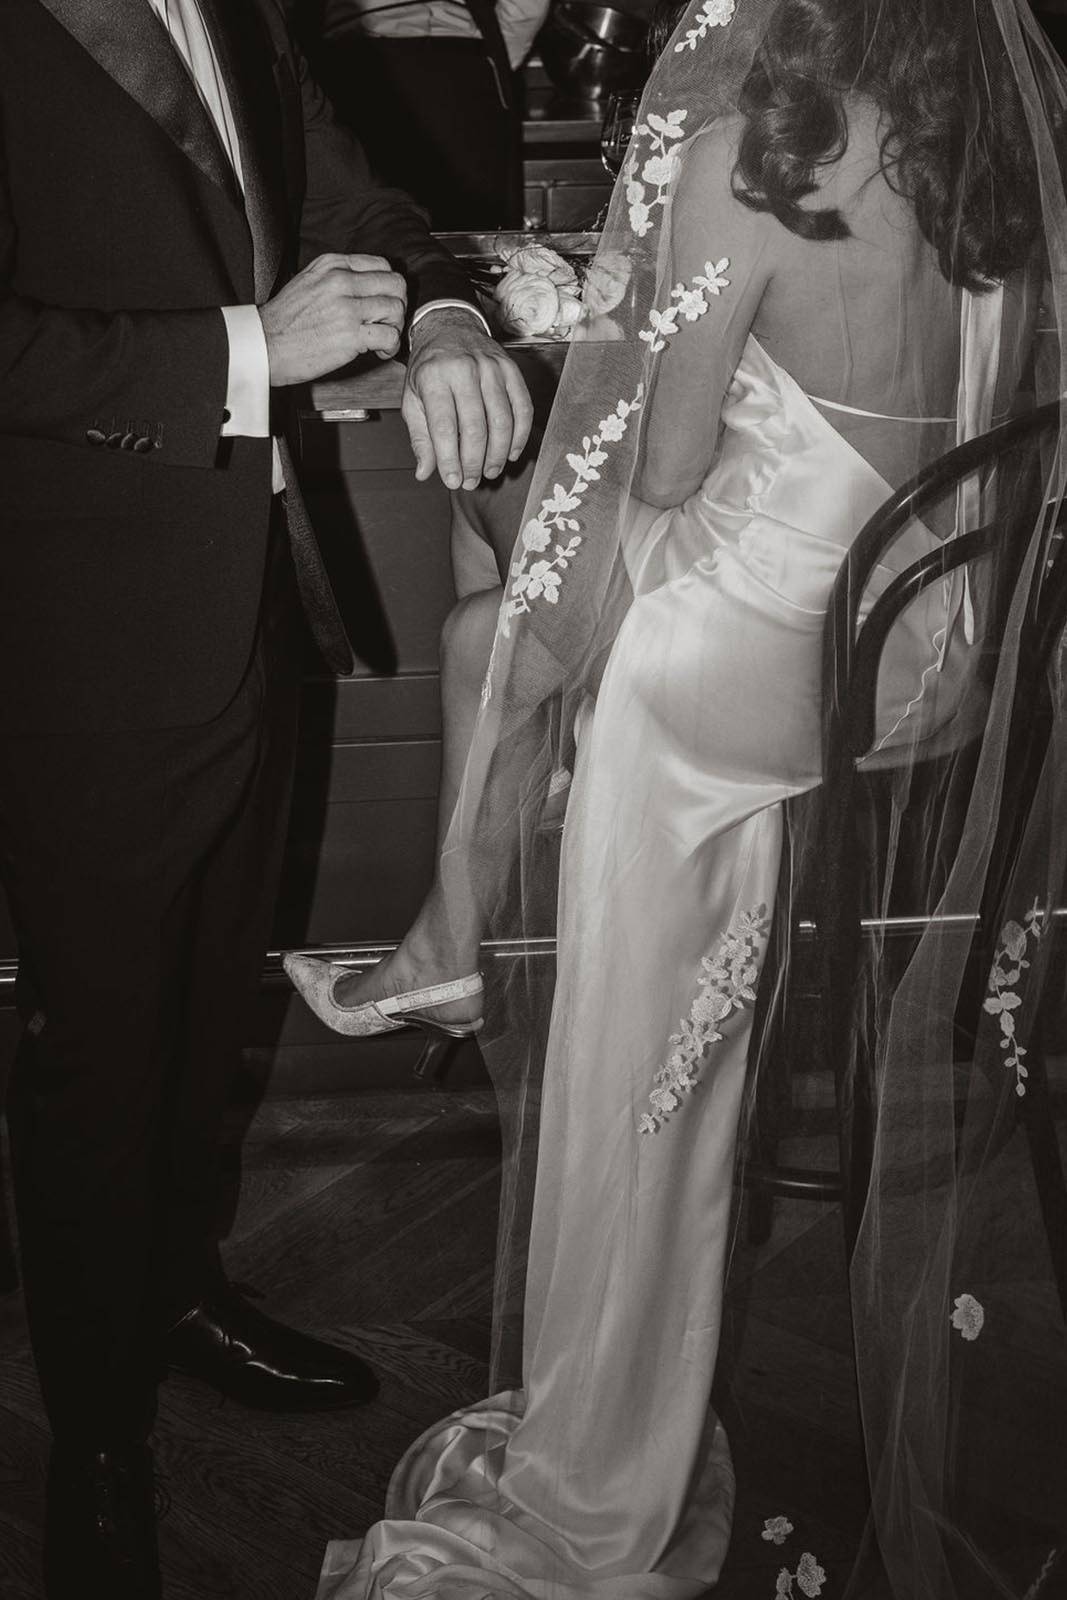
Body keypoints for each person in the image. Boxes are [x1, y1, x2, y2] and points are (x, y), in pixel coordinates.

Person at [288, 0, 1067, 1595]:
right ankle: (453, 922)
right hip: (916, 631)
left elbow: (657, 471)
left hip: (751, 665)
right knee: (494, 622)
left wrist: (612, 353)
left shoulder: (747, 157)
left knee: (531, 633)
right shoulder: (978, 133)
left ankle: (594, 1476)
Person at [0, 3, 534, 1597]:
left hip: (250, 596)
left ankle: (172, 1293)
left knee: (206, 995)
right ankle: (96, 1432)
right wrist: (248, 351)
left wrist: (439, 319)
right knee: (101, 1044)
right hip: (78, 627)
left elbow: (357, 209)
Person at [296, 0, 549, 229]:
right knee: (473, 238)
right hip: (456, 64)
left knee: (368, 230)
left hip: (350, 64)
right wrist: (498, 51)